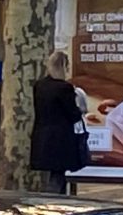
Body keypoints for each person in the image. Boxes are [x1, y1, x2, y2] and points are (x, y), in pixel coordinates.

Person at [29, 49, 86, 193]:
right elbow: (73, 114)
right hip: (61, 138)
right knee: (58, 176)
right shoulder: (64, 88)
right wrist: (80, 108)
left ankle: (55, 198)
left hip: (42, 135)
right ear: (63, 66)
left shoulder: (39, 85)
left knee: (56, 174)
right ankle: (52, 201)